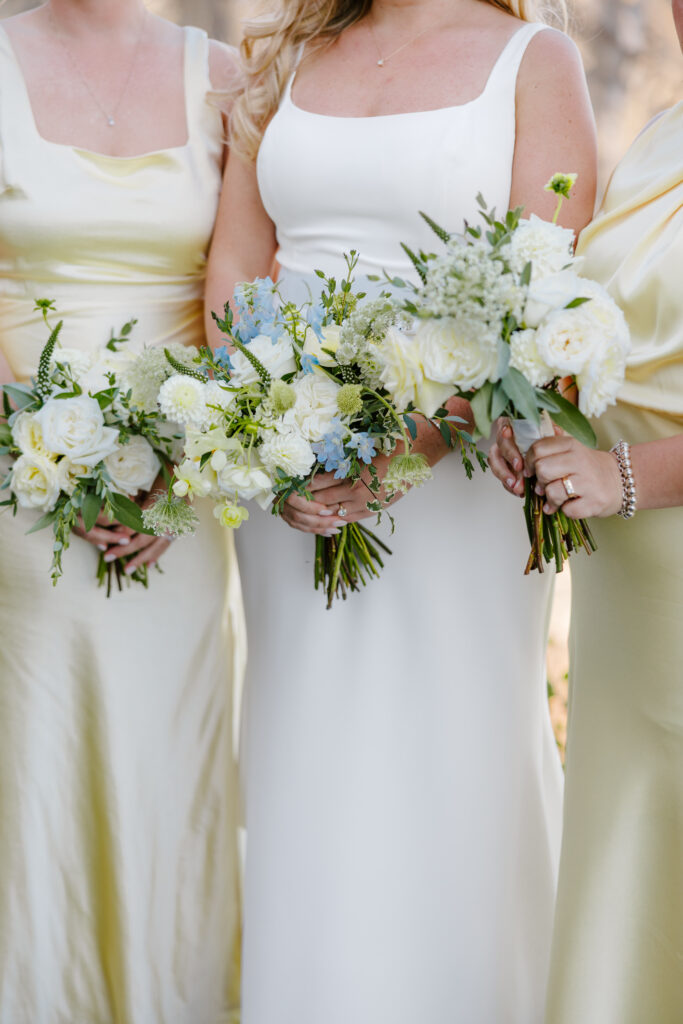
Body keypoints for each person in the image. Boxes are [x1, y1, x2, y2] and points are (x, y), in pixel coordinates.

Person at [207, 1, 596, 1021]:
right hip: (292, 484)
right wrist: (262, 429)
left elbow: (535, 289)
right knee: (309, 778)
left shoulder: (535, 62)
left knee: (446, 773)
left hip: (454, 486)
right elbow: (234, 267)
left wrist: (406, 446)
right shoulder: (291, 54)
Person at [0, 2, 242, 1021]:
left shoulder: (227, 78)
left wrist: (184, 472)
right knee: (34, 761)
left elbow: (238, 291)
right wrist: (40, 450)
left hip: (178, 497)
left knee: (165, 766)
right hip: (17, 482)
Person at [489, 4, 683, 1020]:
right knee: (628, 847)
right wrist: (532, 410)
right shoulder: (661, 132)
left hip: (666, 551)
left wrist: (625, 475)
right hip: (625, 599)